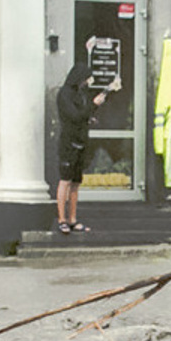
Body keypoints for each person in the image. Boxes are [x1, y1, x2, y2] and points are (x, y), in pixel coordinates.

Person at [53, 54, 108, 234]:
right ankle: (62, 218)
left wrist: (90, 116)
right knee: (65, 180)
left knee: (76, 181)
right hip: (69, 142)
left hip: (81, 140)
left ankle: (73, 219)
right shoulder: (65, 94)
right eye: (85, 78)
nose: (87, 82)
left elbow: (82, 115)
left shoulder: (80, 94)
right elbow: (74, 116)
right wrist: (93, 105)